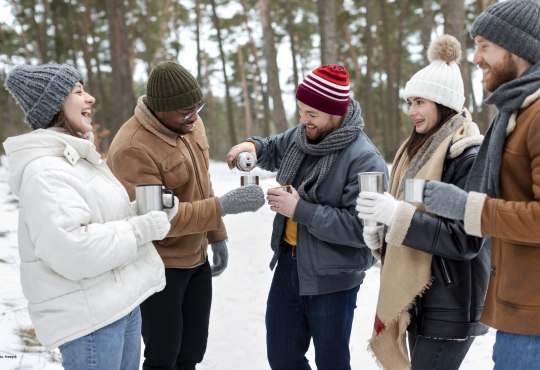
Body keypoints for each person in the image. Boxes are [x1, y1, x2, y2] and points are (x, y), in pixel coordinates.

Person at [2, 63, 170, 369]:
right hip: (90, 321)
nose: (90, 98)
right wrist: (141, 228)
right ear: (54, 105)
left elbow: (101, 221)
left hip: (118, 304)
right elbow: (74, 249)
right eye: (78, 91)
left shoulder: (77, 159)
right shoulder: (45, 172)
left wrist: (144, 210)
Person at [226, 64, 387, 370]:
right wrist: (252, 146)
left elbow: (365, 229)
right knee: (282, 358)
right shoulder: (303, 136)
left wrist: (299, 210)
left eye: (311, 114)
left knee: (331, 363)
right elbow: (274, 148)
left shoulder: (367, 160)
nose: (303, 120)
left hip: (334, 279)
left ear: (335, 113)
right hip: (289, 267)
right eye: (300, 110)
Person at [106, 61, 265, 370]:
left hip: (196, 260)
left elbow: (203, 184)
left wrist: (217, 236)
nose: (194, 117)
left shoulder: (191, 123)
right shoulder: (132, 148)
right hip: (158, 266)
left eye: (198, 108)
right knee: (163, 355)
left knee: (191, 352)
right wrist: (223, 207)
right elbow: (159, 220)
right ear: (159, 109)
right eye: (185, 112)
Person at [418, 1, 540, 369]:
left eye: (485, 45)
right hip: (520, 307)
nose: (475, 57)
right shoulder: (516, 112)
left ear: (516, 47)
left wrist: (466, 207)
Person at [356, 35, 489, 370]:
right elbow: (414, 214)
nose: (411, 111)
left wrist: (396, 214)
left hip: (450, 305)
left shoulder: (468, 157)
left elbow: (466, 239)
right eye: (409, 102)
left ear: (442, 103)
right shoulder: (419, 152)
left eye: (419, 102)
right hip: (422, 300)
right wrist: (382, 233)